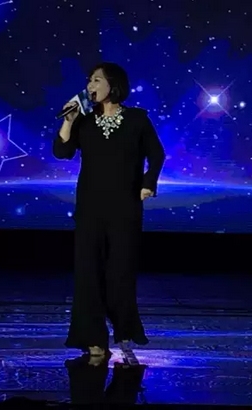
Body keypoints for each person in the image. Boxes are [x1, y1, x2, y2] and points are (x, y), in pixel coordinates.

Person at [53, 62, 165, 357]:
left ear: (113, 85)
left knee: (120, 271)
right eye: (89, 80)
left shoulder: (137, 119)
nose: (90, 86)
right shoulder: (85, 120)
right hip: (90, 205)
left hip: (125, 206)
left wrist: (148, 183)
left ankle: (124, 331)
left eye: (96, 80)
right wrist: (69, 120)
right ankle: (92, 338)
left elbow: (156, 154)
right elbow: (62, 151)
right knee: (88, 272)